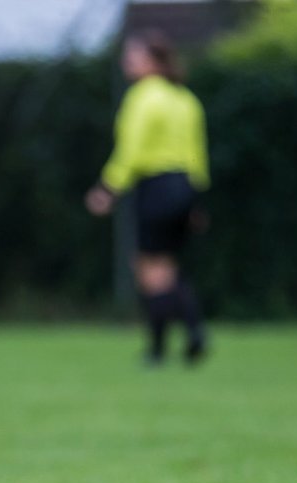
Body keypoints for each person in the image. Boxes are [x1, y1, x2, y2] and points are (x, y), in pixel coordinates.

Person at [86, 30, 210, 366]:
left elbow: (132, 151)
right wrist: (197, 202)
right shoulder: (185, 99)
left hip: (156, 186)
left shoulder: (143, 97)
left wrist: (108, 189)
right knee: (166, 266)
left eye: (133, 56)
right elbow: (197, 155)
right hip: (185, 187)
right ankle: (194, 331)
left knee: (148, 269)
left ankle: (158, 349)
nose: (127, 62)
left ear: (153, 62)